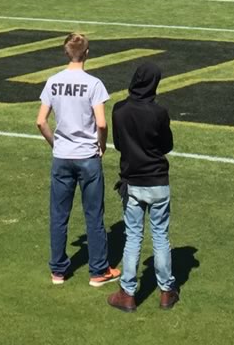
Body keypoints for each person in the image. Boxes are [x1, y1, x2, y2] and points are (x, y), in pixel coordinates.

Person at [35, 33, 120, 287]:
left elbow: (41, 121)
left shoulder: (53, 82)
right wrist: (101, 145)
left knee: (59, 214)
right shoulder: (94, 84)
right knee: (94, 215)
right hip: (87, 157)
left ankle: (58, 270)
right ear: (87, 53)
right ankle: (98, 271)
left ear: (65, 53)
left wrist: (55, 143)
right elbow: (102, 123)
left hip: (62, 156)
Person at [107, 61, 178, 313]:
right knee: (160, 236)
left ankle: (127, 294)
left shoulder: (119, 110)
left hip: (133, 181)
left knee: (133, 237)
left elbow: (118, 143)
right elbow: (167, 145)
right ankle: (166, 292)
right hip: (157, 181)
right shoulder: (159, 112)